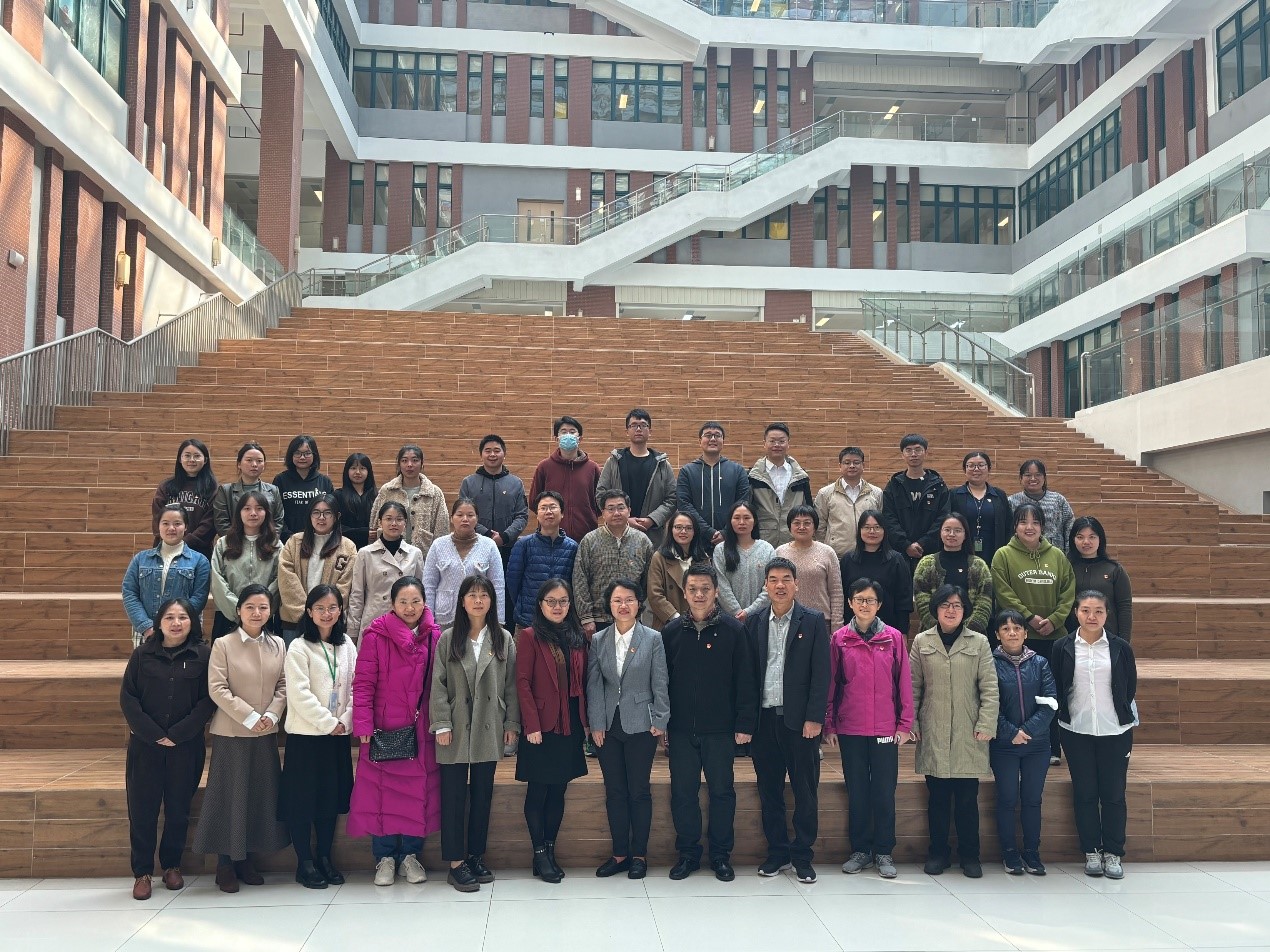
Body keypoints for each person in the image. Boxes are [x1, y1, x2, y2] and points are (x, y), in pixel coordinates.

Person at [662, 564, 757, 882]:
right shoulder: (671, 632)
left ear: (716, 592)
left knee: (722, 793)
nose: (699, 594)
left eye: (705, 589)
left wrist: (744, 723)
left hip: (720, 729)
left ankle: (720, 855)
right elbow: (662, 683)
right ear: (684, 592)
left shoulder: (734, 630)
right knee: (683, 794)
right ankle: (688, 855)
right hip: (680, 729)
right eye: (692, 589)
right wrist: (662, 723)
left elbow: (746, 679)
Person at [192, 584, 289, 893]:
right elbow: (217, 688)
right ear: (238, 611)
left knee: (259, 794)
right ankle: (225, 863)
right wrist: (249, 717)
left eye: (263, 607)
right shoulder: (223, 644)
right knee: (229, 796)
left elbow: (284, 685)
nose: (256, 613)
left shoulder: (278, 644)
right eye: (250, 607)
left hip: (265, 732)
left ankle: (247, 858)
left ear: (270, 611)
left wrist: (271, 715)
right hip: (232, 731)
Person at [348, 576, 443, 886]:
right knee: (381, 795)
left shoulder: (435, 636)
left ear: (425, 603)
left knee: (418, 793)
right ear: (392, 604)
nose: (410, 607)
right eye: (403, 601)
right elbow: (363, 683)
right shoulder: (375, 636)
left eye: (416, 601)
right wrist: (363, 723)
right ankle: (385, 857)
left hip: (421, 729)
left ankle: (411, 856)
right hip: (383, 729)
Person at [120, 597, 214, 901]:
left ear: (192, 622)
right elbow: (128, 698)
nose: (176, 623)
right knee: (142, 811)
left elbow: (207, 700)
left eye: (183, 617)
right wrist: (153, 735)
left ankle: (172, 865)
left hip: (185, 746)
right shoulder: (142, 655)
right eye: (169, 617)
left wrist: (178, 734)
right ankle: (142, 872)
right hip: (145, 747)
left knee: (178, 809)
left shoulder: (203, 655)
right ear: (159, 622)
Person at [743, 557, 830, 884]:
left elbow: (822, 673)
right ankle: (777, 852)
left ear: (796, 584)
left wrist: (815, 717)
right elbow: (747, 676)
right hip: (764, 721)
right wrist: (746, 722)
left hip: (800, 723)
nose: (780, 585)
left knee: (806, 792)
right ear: (765, 585)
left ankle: (803, 856)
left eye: (786, 579)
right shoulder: (754, 622)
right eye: (773, 579)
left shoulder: (813, 621)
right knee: (770, 792)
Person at [431, 575, 519, 892]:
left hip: (489, 724)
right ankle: (456, 863)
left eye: (484, 595)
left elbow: (511, 686)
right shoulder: (448, 638)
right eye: (472, 595)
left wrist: (511, 724)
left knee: (483, 795)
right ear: (462, 601)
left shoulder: (503, 638)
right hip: (454, 727)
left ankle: (476, 856)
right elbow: (438, 684)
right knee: (453, 796)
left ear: (492, 601)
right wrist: (442, 723)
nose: (478, 600)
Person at [825, 579, 913, 881]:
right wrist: (829, 723)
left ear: (879, 605)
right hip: (850, 727)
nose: (865, 605)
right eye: (859, 599)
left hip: (885, 727)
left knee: (884, 792)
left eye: (871, 600)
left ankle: (884, 851)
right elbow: (832, 684)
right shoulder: (839, 639)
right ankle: (860, 850)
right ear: (850, 603)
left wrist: (905, 724)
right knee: (858, 791)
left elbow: (904, 683)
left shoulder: (893, 638)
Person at [909, 584, 998, 879]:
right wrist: (913, 723)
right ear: (936, 609)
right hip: (933, 729)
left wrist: (986, 724)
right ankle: (938, 853)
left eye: (957, 605)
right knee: (937, 800)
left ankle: (970, 856)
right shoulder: (922, 641)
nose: (951, 610)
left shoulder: (980, 643)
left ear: (965, 611)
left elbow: (989, 688)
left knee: (966, 801)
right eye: (945, 604)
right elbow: (913, 687)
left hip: (967, 732)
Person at [586, 579, 670, 880]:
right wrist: (596, 723)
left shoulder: (653, 638)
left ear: (638, 604)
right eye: (617, 600)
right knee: (615, 791)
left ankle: (639, 855)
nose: (624, 605)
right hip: (608, 727)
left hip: (642, 724)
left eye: (630, 600)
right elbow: (594, 684)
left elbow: (660, 681)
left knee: (639, 791)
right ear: (609, 605)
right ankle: (619, 854)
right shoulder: (598, 640)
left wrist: (661, 719)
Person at [1053, 590, 1139, 881]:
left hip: (1115, 730)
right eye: (1086, 610)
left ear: (1107, 614)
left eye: (1098, 611)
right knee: (1085, 793)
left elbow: (1129, 687)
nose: (1092, 616)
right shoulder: (1062, 646)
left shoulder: (1120, 647)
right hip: (1076, 730)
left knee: (1113, 795)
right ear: (1076, 612)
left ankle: (1113, 853)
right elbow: (1059, 684)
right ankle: (1091, 851)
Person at [279, 585, 357, 889]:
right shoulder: (299, 647)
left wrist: (345, 720)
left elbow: (357, 685)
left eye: (333, 607)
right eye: (321, 608)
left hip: (337, 737)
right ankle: (305, 863)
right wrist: (329, 723)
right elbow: (298, 694)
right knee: (302, 802)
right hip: (307, 737)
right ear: (309, 612)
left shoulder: (347, 644)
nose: (327, 613)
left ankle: (325, 857)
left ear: (340, 610)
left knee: (330, 800)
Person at [516, 579, 589, 884]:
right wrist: (531, 724)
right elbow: (522, 682)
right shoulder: (529, 636)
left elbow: (583, 682)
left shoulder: (577, 637)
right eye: (551, 601)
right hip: (541, 727)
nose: (557, 607)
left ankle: (549, 850)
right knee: (538, 790)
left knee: (559, 790)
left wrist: (586, 722)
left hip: (569, 724)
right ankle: (538, 852)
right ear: (541, 604)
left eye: (563, 601)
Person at [991, 503, 1076, 764]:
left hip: (1054, 637)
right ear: (1015, 526)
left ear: (1043, 526)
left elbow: (1068, 590)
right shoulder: (1003, 555)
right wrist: (1029, 618)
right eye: (1023, 522)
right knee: (1017, 695)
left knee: (1051, 694)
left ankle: (1051, 747)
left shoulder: (1058, 556)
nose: (1029, 527)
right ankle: (1013, 744)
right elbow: (1003, 592)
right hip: (1019, 638)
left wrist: (1055, 619)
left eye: (1035, 522)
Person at [990, 609, 1057, 876]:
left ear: (1026, 633)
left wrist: (1027, 730)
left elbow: (1050, 703)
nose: (1012, 633)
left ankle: (1032, 852)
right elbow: (987, 705)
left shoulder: (1040, 663)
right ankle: (1009, 853)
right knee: (1006, 799)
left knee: (1032, 799)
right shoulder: (989, 663)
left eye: (1017, 628)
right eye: (1005, 629)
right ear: (997, 635)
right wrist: (1010, 732)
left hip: (1037, 744)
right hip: (1004, 744)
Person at [123, 504, 211, 648]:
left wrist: (175, 624)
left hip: (183, 631)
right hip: (146, 632)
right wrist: (146, 627)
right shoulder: (140, 559)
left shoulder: (200, 561)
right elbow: (129, 593)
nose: (171, 528)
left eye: (177, 523)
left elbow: (199, 598)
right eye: (165, 523)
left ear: (186, 527)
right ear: (158, 526)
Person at [277, 494, 357, 643]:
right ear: (309, 515)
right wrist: (306, 615)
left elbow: (345, 587)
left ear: (336, 516)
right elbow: (286, 580)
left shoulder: (348, 547)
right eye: (316, 512)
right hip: (294, 622)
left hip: (329, 622)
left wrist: (323, 613)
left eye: (327, 513)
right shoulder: (294, 542)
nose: (321, 517)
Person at [573, 490, 654, 637]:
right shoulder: (590, 541)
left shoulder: (642, 541)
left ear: (629, 511)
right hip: (598, 619)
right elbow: (580, 579)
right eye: (610, 509)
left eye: (621, 508)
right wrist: (586, 617)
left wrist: (637, 606)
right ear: (603, 513)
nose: (616, 513)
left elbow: (648, 581)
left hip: (631, 617)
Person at [596, 409, 677, 549]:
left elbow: (672, 498)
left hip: (652, 535)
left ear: (650, 431)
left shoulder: (662, 464)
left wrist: (652, 519)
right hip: (617, 532)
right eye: (633, 425)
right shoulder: (614, 462)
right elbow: (601, 494)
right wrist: (624, 518)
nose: (638, 429)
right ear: (627, 431)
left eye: (643, 425)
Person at [347, 502, 425, 640]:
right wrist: (353, 630)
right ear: (380, 522)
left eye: (399, 519)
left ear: (405, 523)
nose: (394, 523)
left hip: (406, 622)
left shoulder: (415, 553)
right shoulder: (365, 553)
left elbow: (421, 594)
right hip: (374, 620)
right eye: (388, 519)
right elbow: (357, 595)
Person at [423, 497, 506, 627]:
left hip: (479, 617)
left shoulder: (489, 545)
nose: (465, 519)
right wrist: (428, 620)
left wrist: (498, 620)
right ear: (452, 518)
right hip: (445, 617)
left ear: (477, 519)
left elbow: (498, 585)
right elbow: (429, 585)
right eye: (460, 515)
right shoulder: (438, 545)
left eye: (470, 515)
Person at [209, 491, 280, 640]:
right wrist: (239, 609)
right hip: (227, 615)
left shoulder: (275, 545)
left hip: (263, 617)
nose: (253, 513)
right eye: (247, 508)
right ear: (239, 513)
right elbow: (217, 580)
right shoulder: (223, 543)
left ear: (266, 513)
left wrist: (260, 608)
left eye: (259, 508)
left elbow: (279, 581)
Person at [507, 491, 579, 630]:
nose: (548, 512)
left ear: (562, 513)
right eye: (543, 508)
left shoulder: (572, 547)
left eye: (553, 507)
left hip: (562, 621)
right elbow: (512, 583)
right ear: (537, 515)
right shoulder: (523, 545)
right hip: (528, 621)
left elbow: (575, 585)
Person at [459, 434, 529, 574]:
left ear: (504, 454)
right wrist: (487, 534)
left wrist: (504, 537)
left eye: (497, 450)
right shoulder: (468, 483)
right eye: (488, 450)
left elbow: (522, 516)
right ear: (481, 454)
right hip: (475, 545)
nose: (492, 454)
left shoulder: (516, 483)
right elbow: (463, 514)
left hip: (508, 547)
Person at [528, 415, 602, 547]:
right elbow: (534, 501)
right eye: (563, 432)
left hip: (586, 538)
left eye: (572, 432)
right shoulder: (544, 467)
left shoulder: (592, 468)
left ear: (580, 438)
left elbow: (601, 503)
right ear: (556, 438)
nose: (568, 435)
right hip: (551, 538)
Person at [913, 513, 993, 632]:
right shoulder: (926, 564)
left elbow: (984, 601)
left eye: (957, 530)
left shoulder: (979, 565)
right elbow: (922, 600)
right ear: (940, 533)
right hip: (933, 634)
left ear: (965, 535)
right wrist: (941, 629)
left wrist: (967, 631)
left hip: (972, 636)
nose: (951, 534)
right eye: (947, 530)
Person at [881, 433, 950, 571]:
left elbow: (943, 518)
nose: (913, 454)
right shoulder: (894, 485)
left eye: (918, 449)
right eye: (908, 450)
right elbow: (889, 518)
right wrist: (906, 545)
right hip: (899, 554)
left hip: (931, 553)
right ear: (902, 455)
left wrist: (922, 543)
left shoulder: (938, 486)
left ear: (926, 453)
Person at [676, 421, 750, 547]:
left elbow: (743, 503)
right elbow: (684, 504)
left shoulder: (737, 470)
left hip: (730, 539)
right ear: (700, 441)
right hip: (695, 540)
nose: (713, 439)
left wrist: (725, 532)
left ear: (723, 441)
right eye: (708, 435)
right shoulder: (687, 471)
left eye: (717, 435)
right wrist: (708, 532)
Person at [840, 510, 913, 633]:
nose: (872, 531)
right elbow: (841, 597)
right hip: (852, 630)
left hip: (888, 630)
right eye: (867, 527)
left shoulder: (896, 560)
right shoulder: (847, 560)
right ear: (860, 530)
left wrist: (903, 632)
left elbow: (904, 601)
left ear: (884, 530)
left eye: (877, 527)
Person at [371, 444, 448, 557]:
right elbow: (375, 523)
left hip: (424, 555)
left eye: (415, 460)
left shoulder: (434, 493)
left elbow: (442, 527)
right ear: (399, 464)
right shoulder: (387, 490)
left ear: (422, 464)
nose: (409, 465)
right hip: (388, 552)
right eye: (404, 461)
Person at [773, 505, 844, 628]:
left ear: (815, 527)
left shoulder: (828, 552)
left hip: (821, 622)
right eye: (796, 523)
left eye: (807, 523)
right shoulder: (779, 552)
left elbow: (836, 592)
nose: (801, 527)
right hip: (786, 621)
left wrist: (836, 627)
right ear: (789, 527)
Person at [1067, 516, 1133, 641]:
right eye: (1080, 537)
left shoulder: (1114, 570)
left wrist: (1124, 643)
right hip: (1072, 639)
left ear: (1100, 539)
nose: (1086, 542)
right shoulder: (1065, 568)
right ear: (1073, 540)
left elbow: (1124, 608)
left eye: (1092, 537)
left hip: (1107, 639)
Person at [748, 423, 813, 548]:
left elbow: (809, 509)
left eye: (781, 441)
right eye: (772, 441)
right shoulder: (752, 477)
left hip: (794, 540)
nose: (777, 445)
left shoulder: (801, 477)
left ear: (788, 444)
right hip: (762, 541)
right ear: (764, 443)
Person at [813, 446, 884, 559]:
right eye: (847, 462)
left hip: (868, 554)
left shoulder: (876, 493)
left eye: (856, 462)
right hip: (836, 556)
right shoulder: (825, 493)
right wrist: (827, 549)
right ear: (839, 466)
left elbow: (882, 523)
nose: (852, 466)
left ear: (863, 466)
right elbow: (819, 526)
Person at [151, 439, 217, 558]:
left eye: (197, 456)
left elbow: (210, 524)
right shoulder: (166, 487)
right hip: (166, 550)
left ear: (205, 460)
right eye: (187, 455)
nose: (191, 460)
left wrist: (184, 543)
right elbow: (157, 518)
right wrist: (171, 541)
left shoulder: (213, 489)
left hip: (198, 553)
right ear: (180, 459)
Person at [713, 500, 774, 622]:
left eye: (747, 518)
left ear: (754, 521)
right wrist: (737, 612)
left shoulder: (767, 549)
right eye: (736, 518)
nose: (741, 522)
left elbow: (771, 585)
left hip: (761, 618)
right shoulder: (720, 550)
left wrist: (749, 612)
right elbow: (721, 585)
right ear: (730, 521)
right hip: (729, 619)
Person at [646, 511, 710, 629]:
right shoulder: (659, 558)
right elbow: (655, 595)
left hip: (699, 623)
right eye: (678, 527)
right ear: (671, 530)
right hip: (668, 624)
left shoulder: (703, 558)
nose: (683, 531)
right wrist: (676, 618)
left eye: (688, 528)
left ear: (695, 532)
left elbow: (709, 591)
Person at [950, 451, 1012, 567]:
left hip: (994, 552)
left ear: (989, 468)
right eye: (971, 465)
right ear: (964, 470)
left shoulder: (999, 495)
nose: (976, 469)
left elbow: (1008, 526)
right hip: (962, 552)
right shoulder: (954, 495)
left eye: (981, 465)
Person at [212, 441, 284, 538]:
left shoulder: (273, 490)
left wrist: (267, 541)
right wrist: (240, 542)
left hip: (265, 544)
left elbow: (278, 521)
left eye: (259, 461)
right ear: (239, 464)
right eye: (249, 460)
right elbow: (221, 523)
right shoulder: (225, 491)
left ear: (264, 465)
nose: (254, 464)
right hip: (234, 544)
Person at [273, 435, 336, 543]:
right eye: (297, 453)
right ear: (291, 455)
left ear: (314, 455)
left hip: (319, 539)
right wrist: (289, 537)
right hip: (287, 541)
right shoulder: (280, 480)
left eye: (307, 453)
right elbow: (275, 513)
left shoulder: (324, 481)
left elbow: (330, 513)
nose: (302, 457)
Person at [1008, 459, 1075, 553]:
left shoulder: (1058, 500)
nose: (1033, 478)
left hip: (1055, 554)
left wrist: (1069, 554)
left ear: (1044, 477)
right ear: (1021, 478)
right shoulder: (1011, 501)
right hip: (1021, 553)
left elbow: (1070, 528)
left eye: (1038, 475)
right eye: (1028, 475)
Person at [334, 453, 378, 550]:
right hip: (344, 548)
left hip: (372, 548)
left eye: (362, 468)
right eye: (353, 468)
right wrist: (364, 533)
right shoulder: (338, 495)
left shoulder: (377, 496)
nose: (358, 472)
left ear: (369, 471)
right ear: (347, 471)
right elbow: (335, 525)